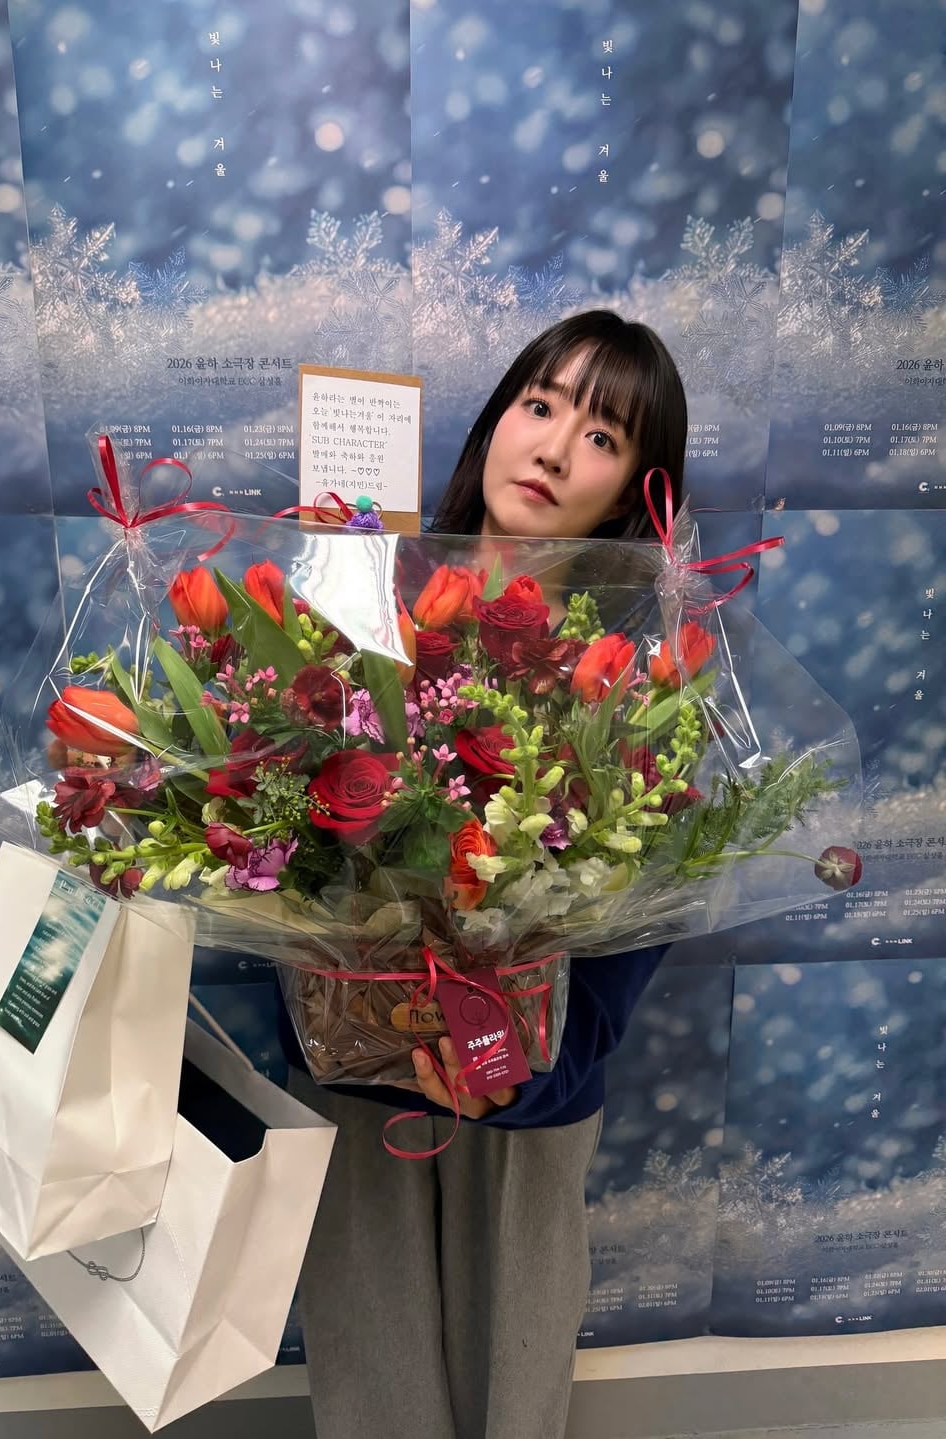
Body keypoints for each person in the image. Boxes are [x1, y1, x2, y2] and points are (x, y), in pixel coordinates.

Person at [284, 309, 688, 1439]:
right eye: (540, 405)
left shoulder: (631, 663)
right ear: (496, 420)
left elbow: (646, 914)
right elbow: (283, 846)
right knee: (371, 1373)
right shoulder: (367, 596)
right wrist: (337, 1015)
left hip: (524, 1080)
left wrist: (535, 1072)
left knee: (515, 1375)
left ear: (638, 489)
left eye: (602, 437)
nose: (554, 448)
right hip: (363, 1066)